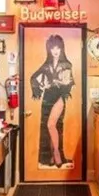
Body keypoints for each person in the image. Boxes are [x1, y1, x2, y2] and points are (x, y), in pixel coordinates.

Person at [30, 34, 74, 168]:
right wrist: (39, 88)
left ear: (61, 49)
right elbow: (33, 77)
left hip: (60, 96)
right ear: (49, 49)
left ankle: (56, 153)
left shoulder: (66, 64)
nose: (55, 51)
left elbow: (70, 82)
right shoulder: (46, 65)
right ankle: (50, 156)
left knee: (51, 125)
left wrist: (60, 83)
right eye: (52, 48)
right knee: (49, 127)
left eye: (58, 48)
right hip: (48, 96)